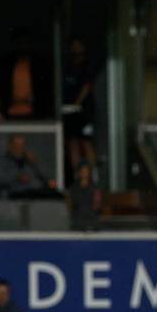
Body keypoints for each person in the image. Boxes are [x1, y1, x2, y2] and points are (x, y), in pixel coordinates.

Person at [61, 37, 97, 173]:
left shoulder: (87, 66)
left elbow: (87, 86)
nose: (75, 48)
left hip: (83, 111)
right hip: (69, 111)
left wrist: (77, 104)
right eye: (73, 45)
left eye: (78, 45)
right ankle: (77, 176)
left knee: (86, 142)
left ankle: (92, 176)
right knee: (72, 143)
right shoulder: (68, 66)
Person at [68, 163, 101, 231]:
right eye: (82, 171)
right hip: (77, 220)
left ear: (89, 173)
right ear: (79, 173)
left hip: (91, 219)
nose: (84, 174)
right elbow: (70, 203)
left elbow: (97, 204)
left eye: (86, 171)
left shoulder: (94, 188)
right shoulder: (74, 188)